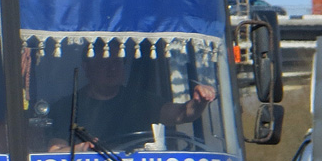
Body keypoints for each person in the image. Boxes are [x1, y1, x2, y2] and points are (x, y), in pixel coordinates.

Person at [46, 54, 214, 151]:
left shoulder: (141, 100)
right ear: (87, 67)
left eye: (116, 62)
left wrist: (199, 102)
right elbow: (55, 153)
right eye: (104, 62)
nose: (112, 68)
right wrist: (82, 149)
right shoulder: (67, 106)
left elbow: (181, 114)